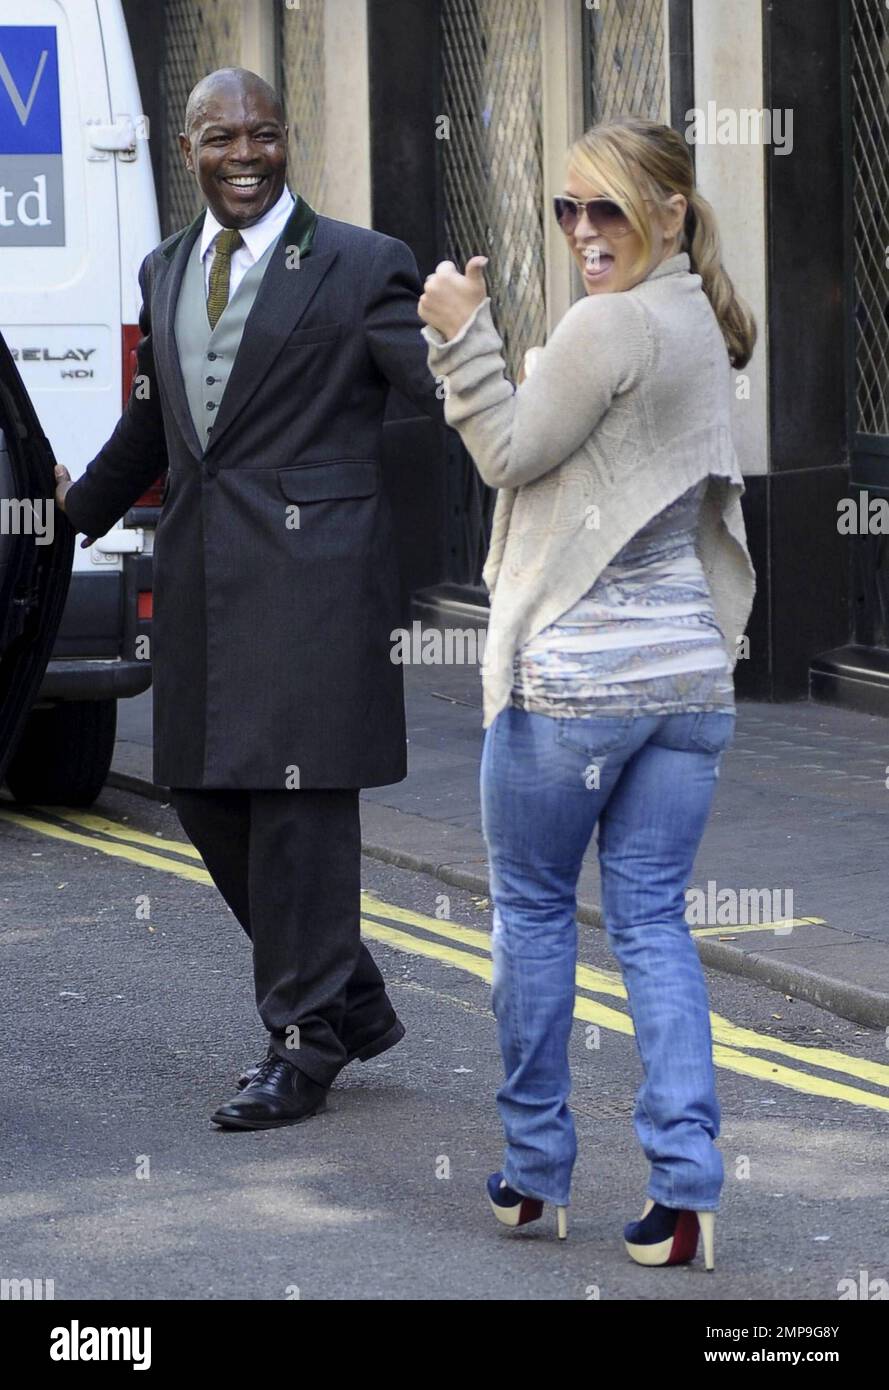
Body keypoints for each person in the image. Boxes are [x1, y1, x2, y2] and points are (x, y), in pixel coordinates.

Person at [55, 67, 443, 1130]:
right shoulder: (164, 266)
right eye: (220, 136)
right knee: (199, 791)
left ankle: (304, 1038)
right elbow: (157, 427)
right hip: (203, 582)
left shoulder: (364, 264)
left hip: (316, 582)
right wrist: (63, 525)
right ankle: (349, 994)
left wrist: (478, 348)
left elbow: (439, 391)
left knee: (301, 809)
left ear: (287, 140)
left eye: (262, 134)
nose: (243, 153)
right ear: (187, 149)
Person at [419, 115, 756, 1267]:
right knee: (655, 923)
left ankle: (532, 1175)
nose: (580, 231)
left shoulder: (608, 322)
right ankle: (685, 1193)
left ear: (667, 213)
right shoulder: (699, 321)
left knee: (532, 914)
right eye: (565, 209)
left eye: (605, 208)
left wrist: (464, 340)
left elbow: (510, 454)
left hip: (570, 685)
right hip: (688, 681)